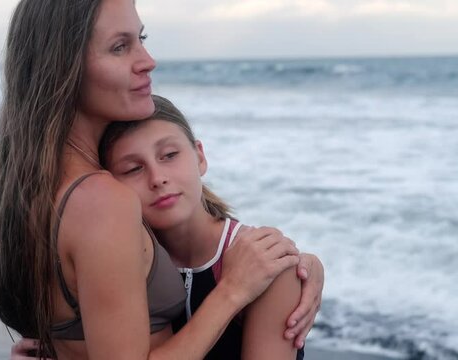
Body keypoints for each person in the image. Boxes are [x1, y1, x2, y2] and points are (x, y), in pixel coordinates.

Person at [0, 0, 323, 359]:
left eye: (140, 38)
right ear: (63, 66)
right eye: (120, 46)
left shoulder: (30, 193)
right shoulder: (101, 201)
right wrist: (233, 290)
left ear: (198, 155)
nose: (147, 60)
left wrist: (299, 266)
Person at [99, 94, 308, 359]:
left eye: (170, 155)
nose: (157, 178)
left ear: (200, 157)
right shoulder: (118, 266)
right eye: (132, 169)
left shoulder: (266, 260)